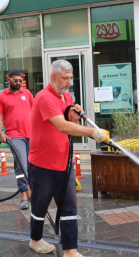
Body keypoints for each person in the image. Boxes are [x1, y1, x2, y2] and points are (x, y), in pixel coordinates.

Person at [28, 60, 110, 257]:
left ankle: (70, 251)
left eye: (70, 78)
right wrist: (93, 133)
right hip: (42, 164)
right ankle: (35, 240)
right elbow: (62, 126)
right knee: (40, 205)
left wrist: (72, 115)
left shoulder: (67, 96)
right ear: (53, 77)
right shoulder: (44, 97)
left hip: (64, 162)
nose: (68, 82)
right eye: (64, 78)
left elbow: (66, 121)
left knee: (69, 206)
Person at [0, 69, 34, 210]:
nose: (18, 83)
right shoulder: (1, 97)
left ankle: (30, 191)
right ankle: (24, 195)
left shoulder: (27, 93)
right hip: (14, 135)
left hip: (31, 134)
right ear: (8, 80)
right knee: (21, 163)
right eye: (15, 80)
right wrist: (0, 134)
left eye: (20, 80)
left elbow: (35, 111)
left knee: (31, 165)